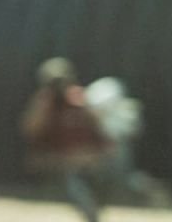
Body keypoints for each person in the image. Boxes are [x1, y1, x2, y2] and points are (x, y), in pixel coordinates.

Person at [21, 58, 114, 222]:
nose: (58, 87)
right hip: (60, 164)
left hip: (89, 161)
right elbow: (30, 130)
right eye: (53, 83)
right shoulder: (44, 104)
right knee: (72, 183)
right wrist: (43, 105)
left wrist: (83, 104)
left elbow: (101, 131)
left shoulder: (79, 99)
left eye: (61, 82)